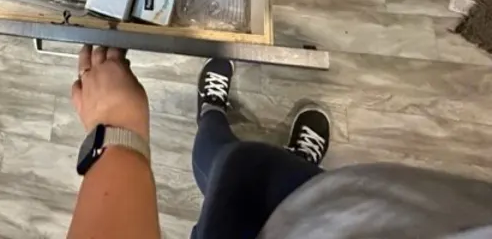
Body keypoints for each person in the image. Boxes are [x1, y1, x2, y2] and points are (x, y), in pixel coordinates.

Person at [67, 45, 492, 239]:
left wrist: (116, 128)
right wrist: (116, 128)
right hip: (344, 207)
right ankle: (297, 170)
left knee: (229, 165)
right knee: (259, 173)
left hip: (292, 218)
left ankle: (212, 110)